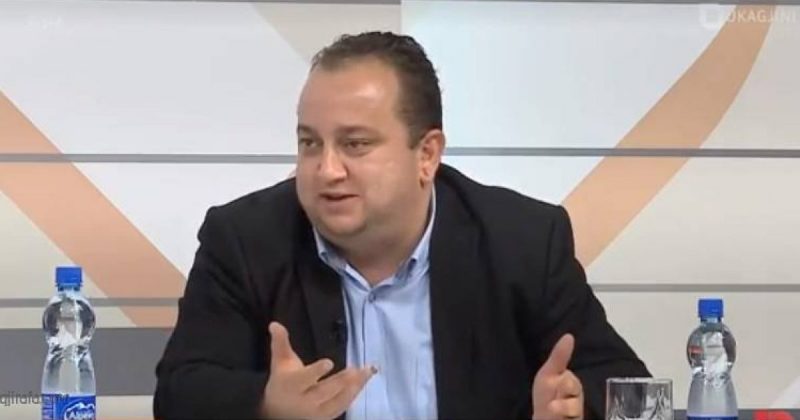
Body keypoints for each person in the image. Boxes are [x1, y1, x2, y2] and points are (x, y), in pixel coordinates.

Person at [153, 31, 650, 420]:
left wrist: (576, 407)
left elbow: (632, 392)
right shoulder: (245, 239)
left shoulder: (521, 243)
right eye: (310, 143)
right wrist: (266, 404)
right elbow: (178, 394)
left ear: (427, 154)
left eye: (355, 144)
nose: (326, 170)